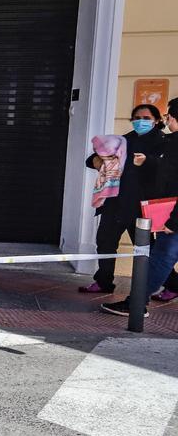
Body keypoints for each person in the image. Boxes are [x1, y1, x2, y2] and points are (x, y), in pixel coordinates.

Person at [103, 98, 178, 317]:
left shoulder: (171, 143)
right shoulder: (171, 143)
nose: (168, 120)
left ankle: (136, 303)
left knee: (160, 258)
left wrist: (173, 221)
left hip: (174, 217)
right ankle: (136, 301)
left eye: (169, 116)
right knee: (160, 258)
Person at [80, 104, 165, 294]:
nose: (140, 121)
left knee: (146, 249)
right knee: (105, 242)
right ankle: (103, 282)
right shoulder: (126, 139)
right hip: (115, 201)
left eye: (145, 118)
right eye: (136, 118)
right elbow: (96, 156)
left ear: (157, 120)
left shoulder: (162, 142)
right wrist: (97, 160)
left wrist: (148, 161)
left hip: (139, 205)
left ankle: (173, 285)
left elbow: (163, 169)